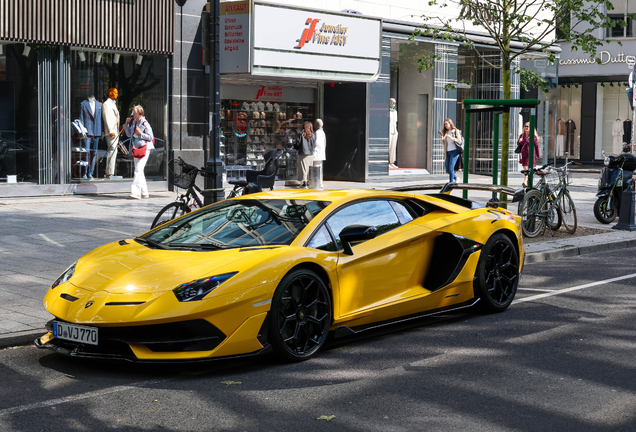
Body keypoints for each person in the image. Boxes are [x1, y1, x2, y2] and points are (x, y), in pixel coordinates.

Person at [125, 105, 154, 199]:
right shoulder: (133, 123)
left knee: (138, 169)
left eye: (134, 112)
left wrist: (141, 133)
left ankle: (136, 192)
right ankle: (145, 192)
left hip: (145, 148)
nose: (133, 114)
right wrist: (126, 124)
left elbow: (150, 137)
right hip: (136, 148)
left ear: (139, 113)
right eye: (133, 112)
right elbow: (129, 134)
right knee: (139, 170)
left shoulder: (145, 123)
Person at [79, 95, 102, 179]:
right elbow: (81, 118)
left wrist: (102, 131)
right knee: (86, 152)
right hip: (87, 131)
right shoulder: (83, 104)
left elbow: (101, 119)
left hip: (97, 131)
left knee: (94, 152)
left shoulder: (100, 105)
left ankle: (90, 172)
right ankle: (84, 172)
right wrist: (82, 131)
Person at [102, 88, 120, 178]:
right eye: (115, 93)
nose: (117, 95)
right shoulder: (106, 104)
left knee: (113, 150)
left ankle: (109, 172)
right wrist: (110, 131)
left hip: (115, 131)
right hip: (111, 132)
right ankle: (109, 172)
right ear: (110, 93)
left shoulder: (113, 104)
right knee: (112, 149)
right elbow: (106, 119)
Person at [518, 122, 541, 187]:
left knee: (528, 170)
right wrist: (519, 141)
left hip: (530, 155)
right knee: (526, 169)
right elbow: (518, 144)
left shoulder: (533, 137)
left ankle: (526, 182)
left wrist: (538, 155)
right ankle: (526, 183)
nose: (526, 127)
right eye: (525, 126)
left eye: (527, 126)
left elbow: (536, 146)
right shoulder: (521, 136)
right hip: (524, 155)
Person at [439, 118, 462, 183]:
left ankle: (451, 183)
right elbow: (444, 144)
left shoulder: (455, 131)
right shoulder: (446, 132)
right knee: (447, 169)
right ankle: (456, 178)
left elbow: (459, 141)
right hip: (448, 152)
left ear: (450, 123)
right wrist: (442, 138)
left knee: (451, 168)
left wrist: (452, 138)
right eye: (444, 124)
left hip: (454, 151)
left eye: (446, 124)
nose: (445, 125)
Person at [295, 121, 315, 188]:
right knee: (309, 169)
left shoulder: (301, 134)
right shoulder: (313, 135)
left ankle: (304, 182)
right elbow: (314, 145)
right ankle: (308, 181)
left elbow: (298, 143)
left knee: (303, 169)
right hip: (310, 154)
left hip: (303, 153)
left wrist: (295, 147)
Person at [313, 119, 326, 188]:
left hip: (316, 153)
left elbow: (316, 143)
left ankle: (316, 182)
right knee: (320, 168)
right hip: (321, 153)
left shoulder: (317, 132)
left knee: (316, 168)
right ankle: (320, 182)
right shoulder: (322, 132)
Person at [389, 98, 398, 168]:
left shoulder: (395, 112)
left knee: (393, 147)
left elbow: (395, 122)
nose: (393, 104)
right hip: (389, 131)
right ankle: (386, 162)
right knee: (388, 147)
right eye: (392, 102)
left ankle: (391, 162)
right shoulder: (387, 111)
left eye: (394, 103)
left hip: (394, 131)